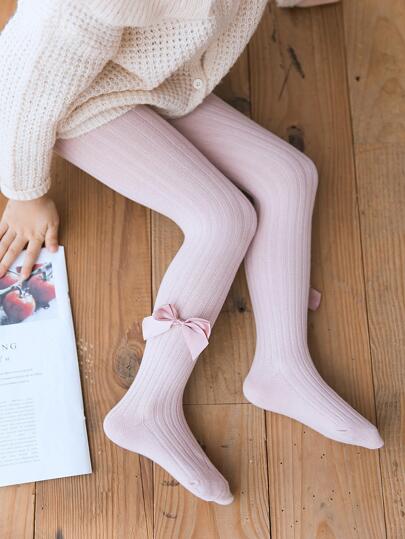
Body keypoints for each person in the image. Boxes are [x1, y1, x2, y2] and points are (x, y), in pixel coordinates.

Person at [0, 0, 383, 505]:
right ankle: (148, 406)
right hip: (74, 99)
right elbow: (29, 71)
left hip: (161, 77)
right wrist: (25, 191)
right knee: (222, 219)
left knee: (291, 176)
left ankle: (284, 366)